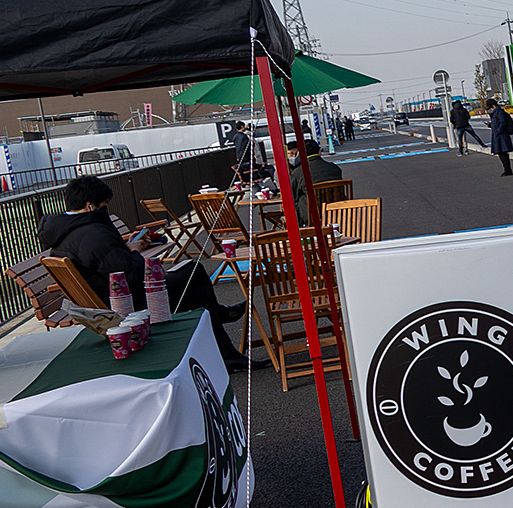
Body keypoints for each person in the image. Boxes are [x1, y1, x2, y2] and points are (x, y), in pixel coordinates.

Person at [38, 176, 253, 371]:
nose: (107, 211)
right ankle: (223, 320)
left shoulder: (64, 233)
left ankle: (228, 356)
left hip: (105, 302)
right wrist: (136, 255)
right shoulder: (93, 234)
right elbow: (132, 273)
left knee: (199, 296)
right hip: (128, 305)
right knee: (193, 269)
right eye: (105, 206)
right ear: (90, 205)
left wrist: (129, 249)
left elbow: (107, 261)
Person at [287, 137, 343, 222]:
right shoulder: (334, 168)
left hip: (312, 215)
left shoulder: (299, 172)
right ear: (319, 151)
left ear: (300, 154)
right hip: (336, 211)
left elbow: (292, 195)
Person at [486, 97, 513, 176]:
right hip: (499, 135)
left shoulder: (499, 112)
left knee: (503, 153)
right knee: (501, 153)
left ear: (493, 106)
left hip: (501, 136)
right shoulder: (497, 112)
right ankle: (507, 169)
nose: (489, 110)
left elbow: (503, 123)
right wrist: (490, 125)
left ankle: (508, 170)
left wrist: (498, 131)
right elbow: (497, 124)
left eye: (490, 108)